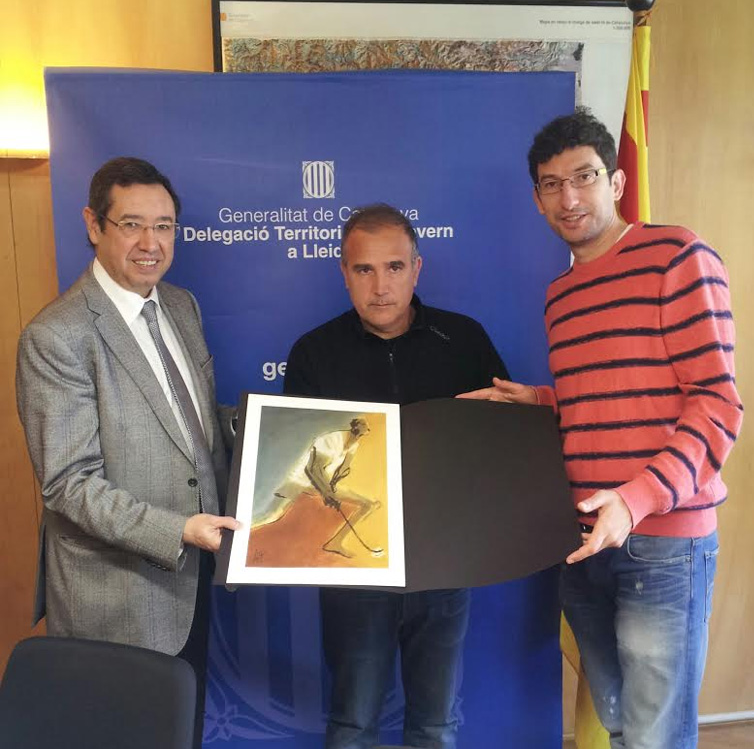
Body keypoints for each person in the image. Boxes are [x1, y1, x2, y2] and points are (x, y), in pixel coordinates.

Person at [461, 109, 743, 749]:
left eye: (584, 177)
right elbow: (607, 395)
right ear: (537, 199)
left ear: (616, 182)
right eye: (551, 184)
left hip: (662, 543)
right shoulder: (560, 295)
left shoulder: (677, 255)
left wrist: (634, 501)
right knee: (617, 724)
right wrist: (540, 400)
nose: (569, 198)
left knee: (654, 737)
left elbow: (716, 403)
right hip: (582, 540)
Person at [16, 157, 240, 748]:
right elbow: (69, 484)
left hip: (190, 583)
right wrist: (179, 530)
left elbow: (191, 425)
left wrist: (271, 427)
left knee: (180, 732)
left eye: (164, 226)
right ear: (94, 225)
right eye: (132, 224)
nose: (151, 243)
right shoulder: (57, 336)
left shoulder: (181, 306)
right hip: (114, 597)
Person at [283, 203, 509, 749]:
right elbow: (298, 466)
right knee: (352, 722)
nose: (380, 286)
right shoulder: (314, 353)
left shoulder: (465, 340)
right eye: (364, 269)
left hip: (443, 561)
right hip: (353, 567)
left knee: (435, 724)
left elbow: (502, 444)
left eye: (395, 267)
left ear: (417, 269)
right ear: (344, 272)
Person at [255, 417, 382, 557]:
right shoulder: (332, 440)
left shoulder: (354, 445)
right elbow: (314, 469)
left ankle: (335, 543)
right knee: (272, 515)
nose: (367, 428)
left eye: (367, 428)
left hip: (320, 485)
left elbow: (343, 469)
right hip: (300, 482)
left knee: (369, 505)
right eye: (364, 425)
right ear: (355, 426)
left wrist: (333, 486)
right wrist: (327, 492)